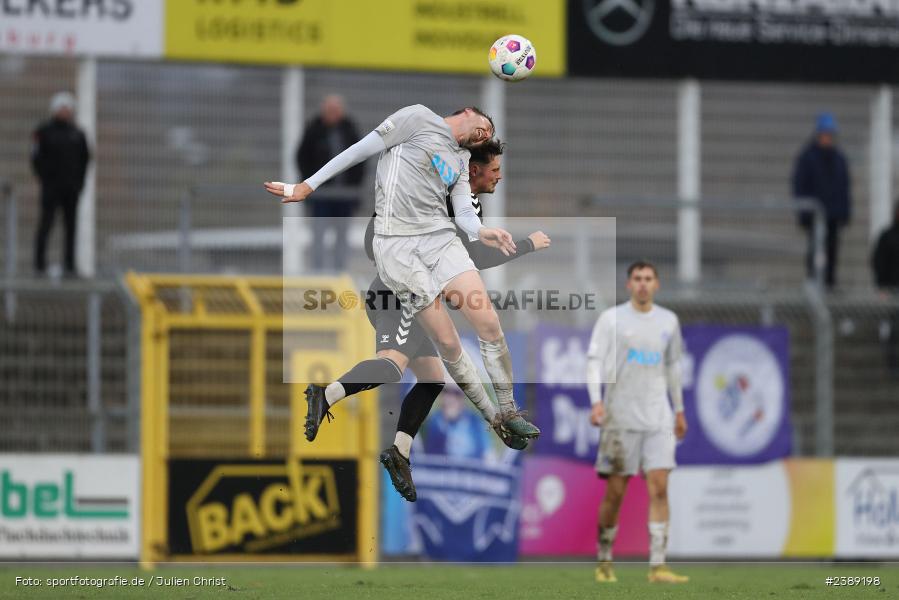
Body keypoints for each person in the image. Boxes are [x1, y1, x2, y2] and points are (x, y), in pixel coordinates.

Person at [265, 104, 541, 462]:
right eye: (485, 126)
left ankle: (507, 412)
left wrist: (486, 232)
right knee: (447, 344)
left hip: (439, 240)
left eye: (488, 136)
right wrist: (308, 185)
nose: (485, 135)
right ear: (468, 112)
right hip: (397, 247)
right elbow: (360, 148)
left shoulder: (458, 159)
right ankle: (491, 420)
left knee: (487, 321)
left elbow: (466, 216)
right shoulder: (417, 118)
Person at [303, 140, 550, 501]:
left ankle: (400, 452)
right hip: (398, 295)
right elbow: (387, 235)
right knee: (392, 365)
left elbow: (468, 257)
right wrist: (527, 245)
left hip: (409, 296)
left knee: (433, 380)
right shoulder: (440, 197)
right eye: (494, 170)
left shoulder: (468, 208)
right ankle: (327, 393)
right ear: (474, 171)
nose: (499, 176)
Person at [586, 261, 689, 584]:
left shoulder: (669, 321)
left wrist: (679, 409)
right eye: (637, 279)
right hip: (621, 417)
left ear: (657, 284)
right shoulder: (611, 319)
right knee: (616, 492)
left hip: (658, 418)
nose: (643, 284)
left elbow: (673, 368)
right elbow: (593, 362)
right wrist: (596, 402)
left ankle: (658, 565)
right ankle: (604, 560)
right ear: (628, 284)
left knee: (659, 487)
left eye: (648, 279)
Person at [296, 95, 364, 272]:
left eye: (336, 110)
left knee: (342, 235)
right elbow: (302, 158)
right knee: (318, 235)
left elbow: (361, 160)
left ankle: (339, 272)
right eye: (330, 110)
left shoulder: (349, 131)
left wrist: (354, 186)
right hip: (321, 196)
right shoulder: (314, 131)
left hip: (344, 196)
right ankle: (318, 273)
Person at [31, 91, 90, 277]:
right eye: (61, 108)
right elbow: (35, 157)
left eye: (67, 108)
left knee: (71, 226)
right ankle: (39, 265)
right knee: (46, 223)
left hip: (71, 189)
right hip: (50, 188)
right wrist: (45, 178)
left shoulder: (78, 135)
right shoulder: (43, 132)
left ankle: (69, 265)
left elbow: (85, 160)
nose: (65, 111)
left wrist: (78, 183)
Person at [792, 112, 851, 289]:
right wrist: (804, 213)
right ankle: (814, 280)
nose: (828, 138)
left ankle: (829, 283)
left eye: (830, 135)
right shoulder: (808, 157)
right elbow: (800, 186)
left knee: (832, 250)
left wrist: (844, 213)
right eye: (825, 134)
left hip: (833, 215)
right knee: (815, 249)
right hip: (814, 217)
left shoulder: (839, 159)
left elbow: (844, 188)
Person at [871, 201, 899, 372]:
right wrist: (882, 287)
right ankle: (893, 363)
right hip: (892, 290)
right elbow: (879, 263)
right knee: (895, 329)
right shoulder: (887, 236)